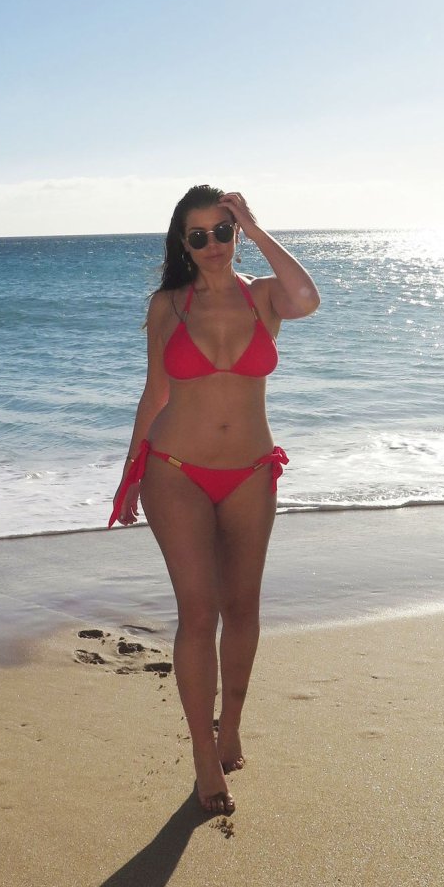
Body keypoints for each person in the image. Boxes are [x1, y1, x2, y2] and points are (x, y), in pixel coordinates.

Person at [109, 186, 320, 816]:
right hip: (175, 471)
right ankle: (203, 752)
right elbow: (155, 393)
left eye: (221, 232)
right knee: (198, 613)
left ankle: (232, 726)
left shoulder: (265, 297)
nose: (212, 245)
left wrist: (254, 226)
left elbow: (308, 298)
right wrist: (130, 473)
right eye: (197, 236)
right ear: (183, 243)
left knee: (243, 606)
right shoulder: (168, 305)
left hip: (251, 473)